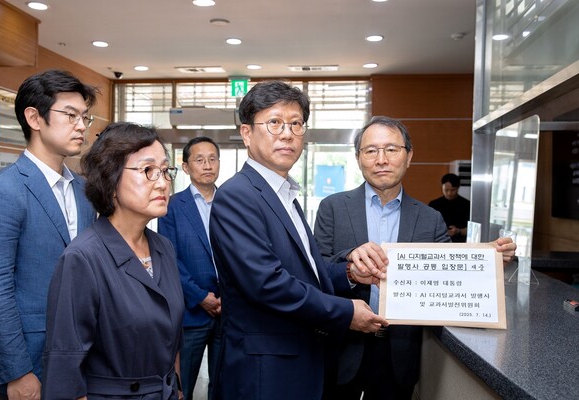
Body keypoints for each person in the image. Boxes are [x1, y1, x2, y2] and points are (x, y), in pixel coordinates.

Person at [209, 80, 390, 400]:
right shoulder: (237, 195)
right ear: (247, 133)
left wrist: (350, 272)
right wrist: (346, 312)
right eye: (274, 122)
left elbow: (307, 272)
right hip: (265, 370)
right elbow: (267, 284)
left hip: (301, 359)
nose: (287, 133)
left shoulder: (285, 194)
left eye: (296, 123)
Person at [313, 115, 517, 400]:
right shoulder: (332, 208)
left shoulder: (430, 219)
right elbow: (316, 272)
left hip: (399, 353)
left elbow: (451, 276)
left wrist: (488, 258)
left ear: (409, 156)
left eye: (391, 149)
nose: (381, 159)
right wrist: (350, 271)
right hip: (343, 347)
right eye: (370, 150)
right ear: (358, 158)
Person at [41, 122, 185, 399]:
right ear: (111, 182)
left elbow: (172, 337)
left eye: (165, 171)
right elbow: (64, 368)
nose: (162, 182)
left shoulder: (163, 248)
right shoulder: (83, 259)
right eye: (148, 170)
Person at [0, 69, 98, 399]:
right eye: (70, 115)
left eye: (85, 117)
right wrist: (17, 371)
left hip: (82, 359)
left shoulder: (84, 191)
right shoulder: (1, 192)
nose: (81, 126)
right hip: (29, 362)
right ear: (34, 118)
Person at [158, 136, 222, 400]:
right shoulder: (172, 206)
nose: (207, 165)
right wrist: (201, 296)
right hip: (191, 312)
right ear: (185, 167)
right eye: (199, 160)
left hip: (228, 311)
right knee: (183, 385)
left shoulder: (232, 202)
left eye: (212, 159)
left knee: (223, 385)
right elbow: (170, 259)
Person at [428, 173, 471, 242]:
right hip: (439, 242)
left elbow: (472, 229)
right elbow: (428, 226)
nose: (449, 193)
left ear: (458, 188)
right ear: (441, 187)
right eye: (446, 190)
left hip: (460, 242)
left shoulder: (467, 205)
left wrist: (458, 231)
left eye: (453, 190)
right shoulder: (434, 204)